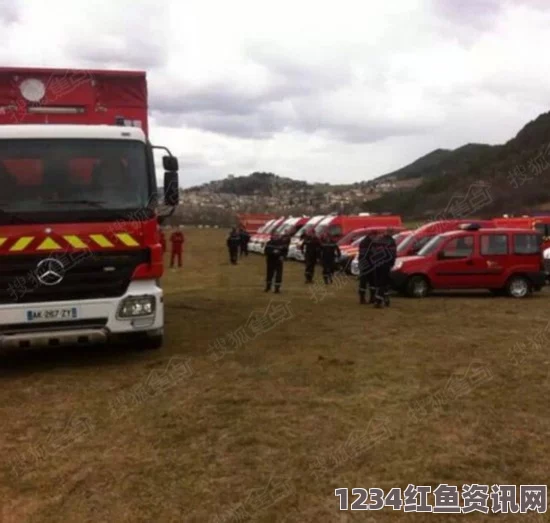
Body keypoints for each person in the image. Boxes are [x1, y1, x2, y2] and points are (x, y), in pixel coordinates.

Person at [376, 231, 397, 307]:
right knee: (383, 283)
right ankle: (379, 301)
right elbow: (393, 254)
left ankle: (386, 299)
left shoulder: (380, 240)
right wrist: (392, 264)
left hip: (378, 264)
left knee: (382, 282)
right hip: (386, 265)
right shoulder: (391, 241)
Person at [358, 232, 376, 304]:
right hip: (366, 264)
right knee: (364, 282)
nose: (375, 237)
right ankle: (363, 298)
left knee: (371, 282)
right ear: (371, 235)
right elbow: (365, 254)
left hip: (369, 264)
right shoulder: (365, 243)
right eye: (374, 236)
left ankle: (371, 298)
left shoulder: (370, 242)